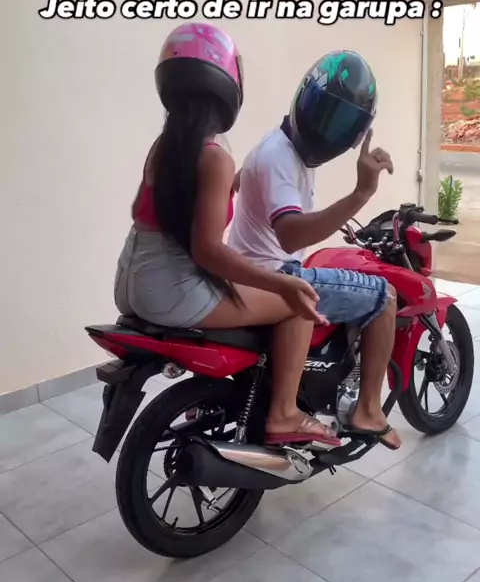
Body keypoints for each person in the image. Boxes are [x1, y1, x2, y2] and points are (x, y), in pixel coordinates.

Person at [114, 23, 341, 446]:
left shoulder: (164, 147)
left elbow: (142, 213)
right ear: (228, 88)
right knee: (299, 304)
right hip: (173, 292)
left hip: (130, 284)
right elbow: (207, 251)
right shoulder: (214, 158)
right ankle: (285, 413)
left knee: (266, 292)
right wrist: (282, 284)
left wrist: (224, 190)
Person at [228, 50, 401, 450]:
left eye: (339, 123)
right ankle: (368, 410)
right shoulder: (279, 157)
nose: (327, 130)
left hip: (246, 270)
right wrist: (361, 193)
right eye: (326, 116)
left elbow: (250, 183)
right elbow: (290, 236)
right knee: (385, 296)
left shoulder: (274, 147)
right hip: (276, 274)